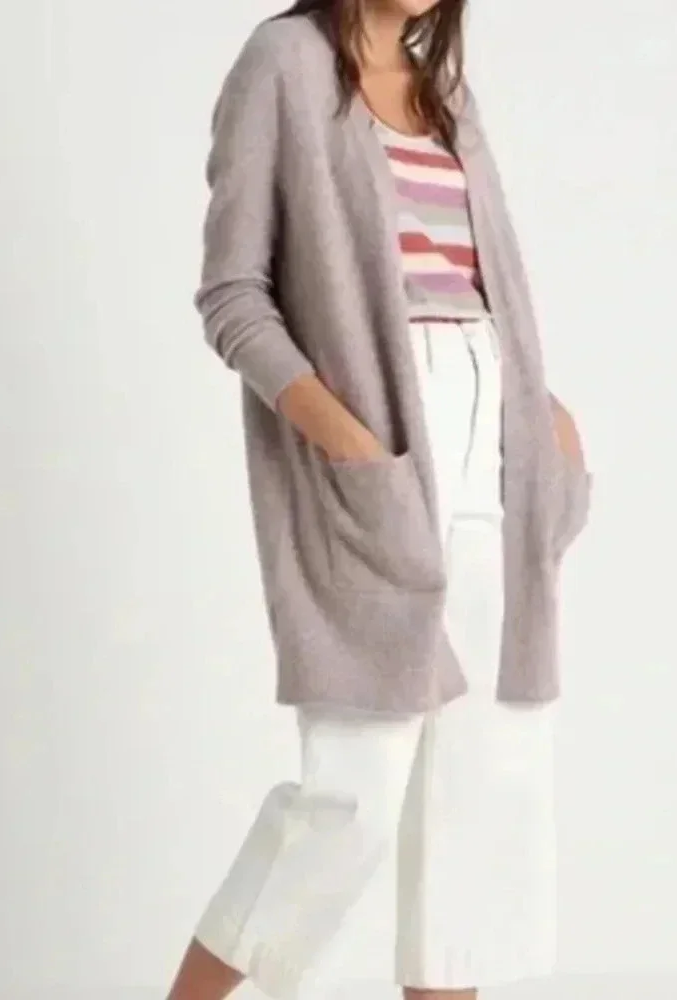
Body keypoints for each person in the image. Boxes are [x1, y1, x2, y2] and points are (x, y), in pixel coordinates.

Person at [165, 1, 592, 998]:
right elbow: (233, 294)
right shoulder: (283, 63)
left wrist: (546, 414)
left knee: (475, 802)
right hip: (383, 452)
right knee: (350, 799)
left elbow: (482, 291)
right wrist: (344, 437)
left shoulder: (446, 94)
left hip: (497, 453)